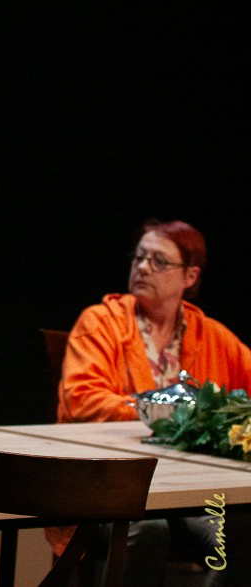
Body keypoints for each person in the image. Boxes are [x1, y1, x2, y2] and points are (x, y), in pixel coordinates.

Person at [52, 219, 251, 586]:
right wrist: (166, 413)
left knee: (241, 527)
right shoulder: (100, 323)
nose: (143, 267)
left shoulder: (212, 336)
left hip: (189, 487)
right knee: (149, 530)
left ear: (190, 276)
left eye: (158, 261)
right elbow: (83, 401)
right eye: (139, 257)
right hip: (113, 486)